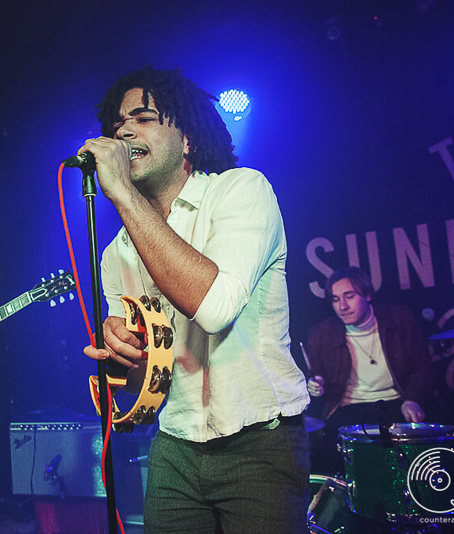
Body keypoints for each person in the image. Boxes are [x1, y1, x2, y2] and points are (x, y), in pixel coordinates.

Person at [81, 67, 311, 534]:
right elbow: (146, 375)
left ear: (186, 138)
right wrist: (121, 355)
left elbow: (214, 308)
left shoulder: (242, 190)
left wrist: (123, 193)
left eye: (142, 118)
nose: (123, 131)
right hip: (175, 444)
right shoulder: (117, 253)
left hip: (259, 442)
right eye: (117, 124)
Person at [304, 265, 434, 474]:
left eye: (349, 296)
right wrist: (315, 387)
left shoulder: (400, 319)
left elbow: (424, 366)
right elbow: (319, 379)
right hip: (348, 408)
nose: (342, 306)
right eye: (335, 299)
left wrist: (412, 398)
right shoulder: (322, 334)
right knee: (328, 458)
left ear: (368, 295)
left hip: (397, 402)